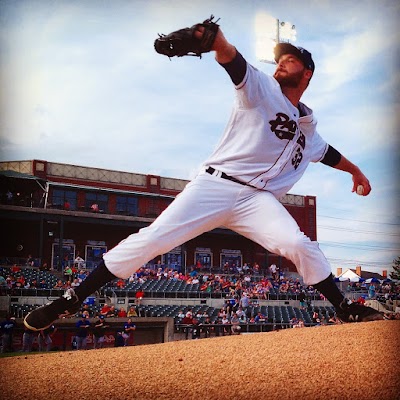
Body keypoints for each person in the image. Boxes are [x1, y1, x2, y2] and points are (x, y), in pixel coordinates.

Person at [23, 20, 383, 333]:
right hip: (216, 184)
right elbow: (233, 60)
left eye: (289, 60)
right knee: (155, 239)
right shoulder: (262, 89)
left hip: (257, 201)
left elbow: (327, 153)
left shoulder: (309, 129)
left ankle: (344, 307)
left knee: (298, 244)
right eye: (278, 59)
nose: (280, 64)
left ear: (306, 73)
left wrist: (357, 172)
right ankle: (71, 299)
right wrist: (212, 39)